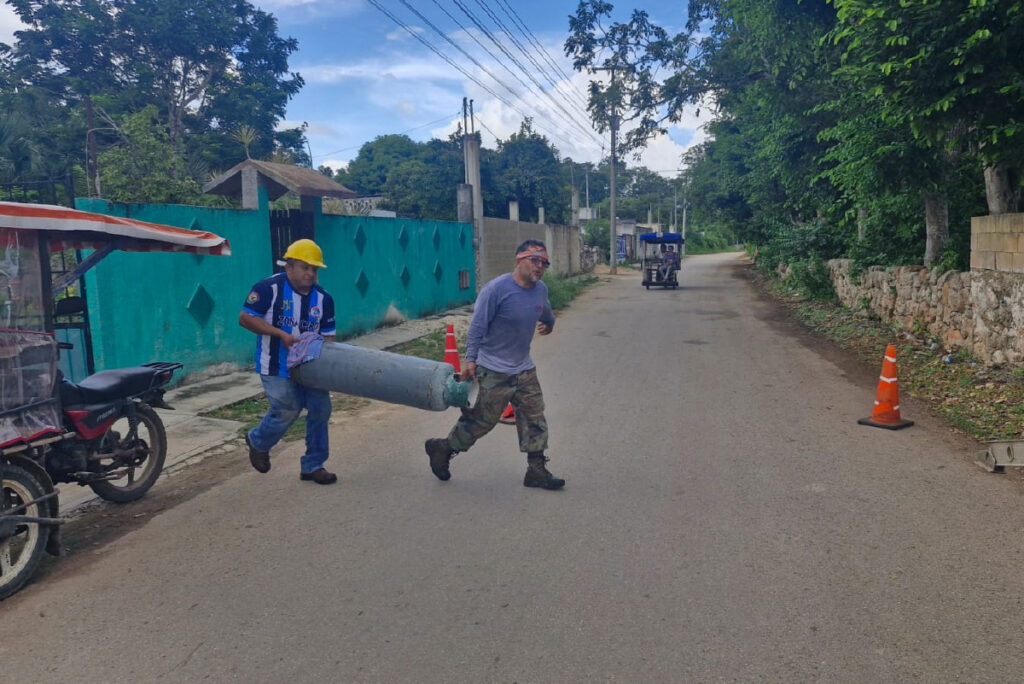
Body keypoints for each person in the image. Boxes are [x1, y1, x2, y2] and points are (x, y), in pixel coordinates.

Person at [424, 239, 565, 490]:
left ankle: (536, 470)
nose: (540, 266)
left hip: (523, 368)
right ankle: (443, 448)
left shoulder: (540, 289)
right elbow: (477, 328)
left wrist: (550, 323)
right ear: (518, 260)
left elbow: (545, 311)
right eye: (534, 260)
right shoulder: (496, 290)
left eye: (544, 263)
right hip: (492, 368)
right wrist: (470, 361)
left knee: (534, 416)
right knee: (481, 421)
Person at [239, 238, 338, 485]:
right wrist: (280, 334)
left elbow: (329, 337)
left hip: (311, 368)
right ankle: (258, 441)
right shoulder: (267, 289)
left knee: (320, 409)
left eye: (314, 269)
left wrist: (329, 364)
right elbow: (245, 318)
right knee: (288, 407)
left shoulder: (324, 299)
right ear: (289, 267)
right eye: (305, 267)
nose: (311, 273)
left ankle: (313, 465)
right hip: (275, 365)